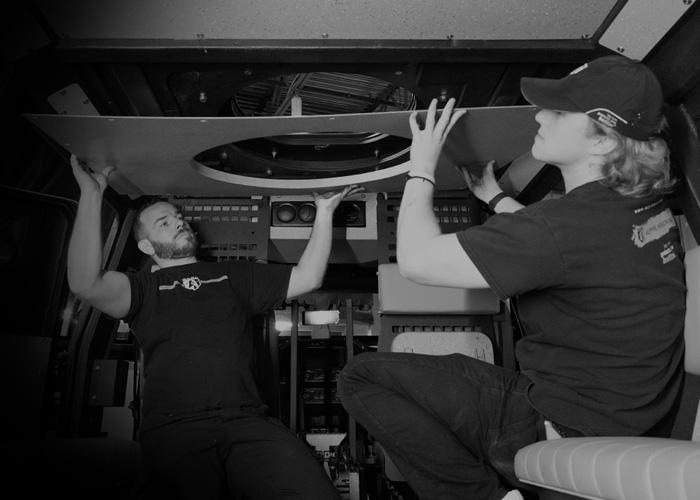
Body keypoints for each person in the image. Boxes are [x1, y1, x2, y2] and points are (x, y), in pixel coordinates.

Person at [337, 55, 686, 500]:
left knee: (361, 377)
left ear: (602, 142)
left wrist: (420, 165)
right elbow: (569, 250)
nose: (540, 115)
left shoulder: (559, 226)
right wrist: (495, 196)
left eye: (558, 112)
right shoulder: (640, 206)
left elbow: (416, 261)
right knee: (453, 377)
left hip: (563, 426)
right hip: (630, 417)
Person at [67, 152, 362, 500]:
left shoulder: (232, 274)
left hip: (248, 421)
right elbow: (85, 283)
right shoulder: (141, 289)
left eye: (177, 216)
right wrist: (91, 194)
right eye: (164, 223)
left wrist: (325, 213)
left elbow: (308, 277)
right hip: (175, 429)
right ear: (146, 246)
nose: (178, 222)